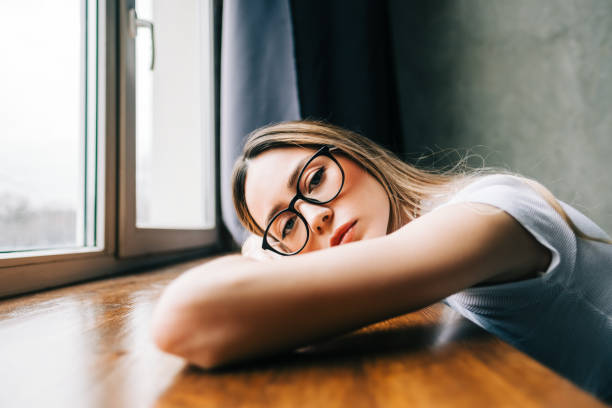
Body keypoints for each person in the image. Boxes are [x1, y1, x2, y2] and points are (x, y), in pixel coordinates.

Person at [152, 121, 612, 401]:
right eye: (287, 226)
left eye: (314, 180)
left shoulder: (491, 211)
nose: (315, 218)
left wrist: (266, 252)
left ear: (354, 155)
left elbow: (186, 319)